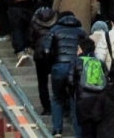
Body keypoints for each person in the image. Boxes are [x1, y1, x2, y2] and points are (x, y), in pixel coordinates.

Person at [41, 10, 87, 138]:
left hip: (58, 67)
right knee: (74, 99)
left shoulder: (54, 30)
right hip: (76, 67)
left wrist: (52, 63)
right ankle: (78, 133)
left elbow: (46, 50)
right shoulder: (81, 31)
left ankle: (57, 130)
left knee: (57, 98)